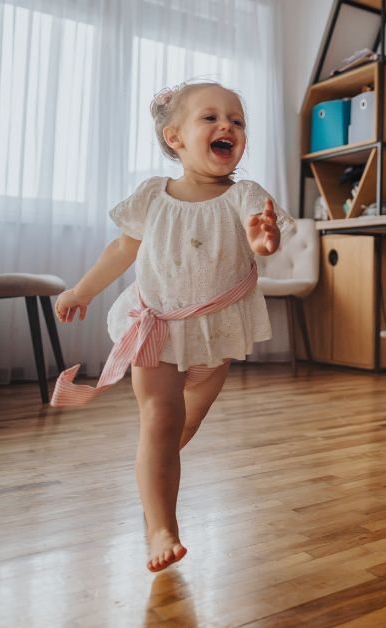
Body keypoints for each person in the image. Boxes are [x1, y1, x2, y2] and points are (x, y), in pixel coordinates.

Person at [53, 81, 282, 572]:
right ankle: (162, 526)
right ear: (175, 137)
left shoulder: (245, 194)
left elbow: (257, 237)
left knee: (183, 424)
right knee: (160, 421)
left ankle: (151, 470)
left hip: (214, 337)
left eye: (237, 121)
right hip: (155, 328)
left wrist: (264, 240)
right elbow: (121, 250)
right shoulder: (153, 195)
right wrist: (82, 290)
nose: (228, 126)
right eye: (211, 118)